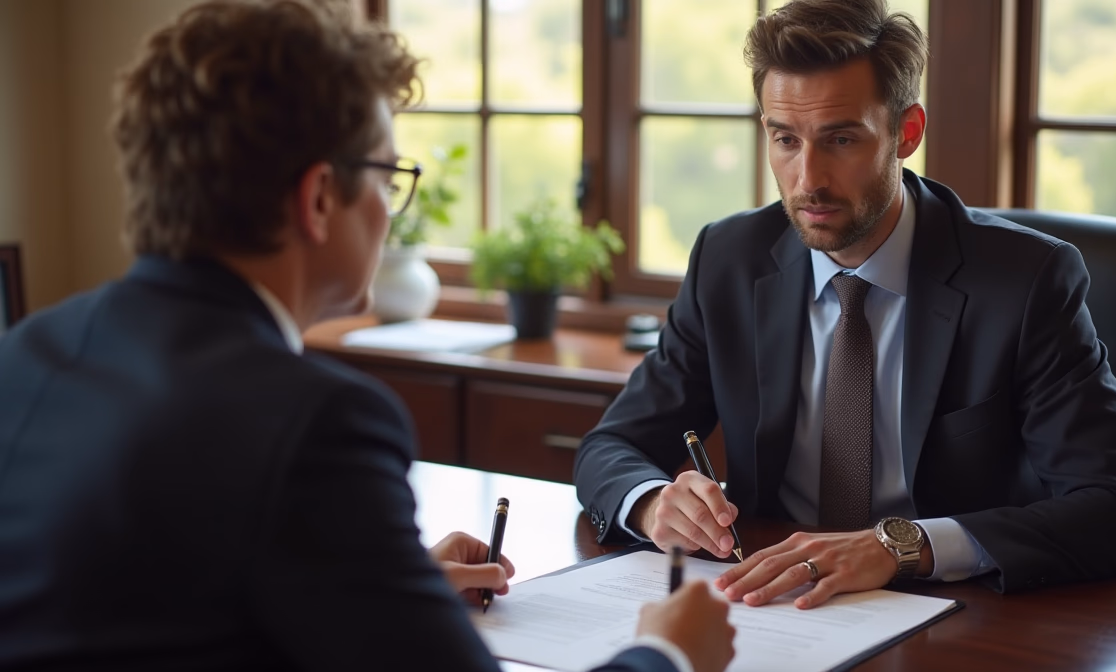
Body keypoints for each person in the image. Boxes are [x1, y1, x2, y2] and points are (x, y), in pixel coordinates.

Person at [0, 2, 735, 671]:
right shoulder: (313, 423)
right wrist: (667, 653)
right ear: (320, 199)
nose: (391, 212)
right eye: (389, 176)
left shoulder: (24, 357)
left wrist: (380, 594)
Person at [575, 0, 1116, 611]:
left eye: (841, 139)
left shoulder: (1027, 281)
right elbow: (610, 447)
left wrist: (899, 545)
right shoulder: (729, 259)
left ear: (906, 132)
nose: (807, 180)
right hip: (775, 607)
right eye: (785, 140)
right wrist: (650, 501)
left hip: (955, 616)